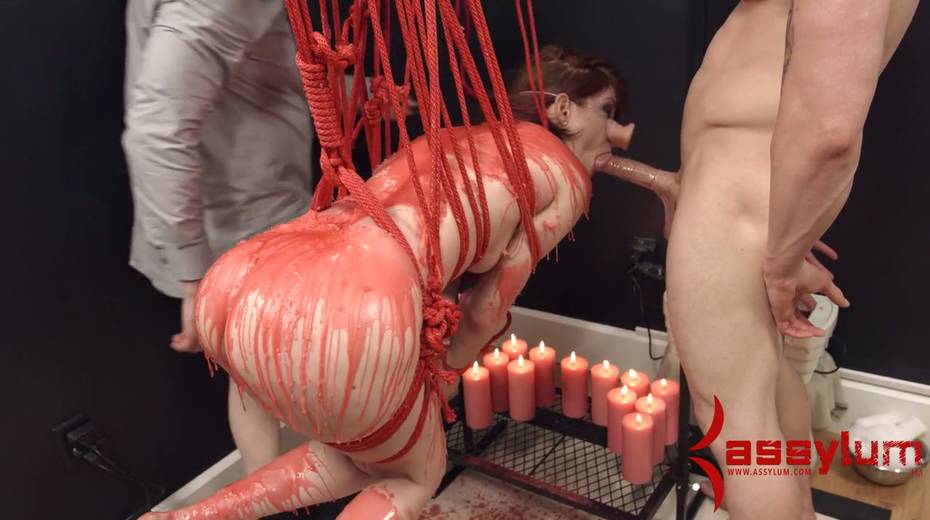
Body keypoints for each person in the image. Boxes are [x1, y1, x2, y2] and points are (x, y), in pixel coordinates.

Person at [140, 45, 676, 520]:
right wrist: (446, 375)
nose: (620, 134)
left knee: (361, 452)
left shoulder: (461, 137)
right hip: (357, 300)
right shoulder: (566, 175)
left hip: (246, 274)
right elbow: (487, 309)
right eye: (608, 111)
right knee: (414, 473)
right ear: (562, 109)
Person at [665, 1, 919, 518]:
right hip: (746, 192)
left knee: (734, 424)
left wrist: (783, 261)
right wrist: (787, 234)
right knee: (767, 390)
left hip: (732, 199)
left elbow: (831, 131)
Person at [122, 0, 314, 476]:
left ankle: (278, 493)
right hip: (244, 229)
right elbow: (157, 130)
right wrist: (193, 277)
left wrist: (353, 90)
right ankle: (275, 496)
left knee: (258, 376)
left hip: (254, 216)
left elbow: (243, 70)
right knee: (262, 374)